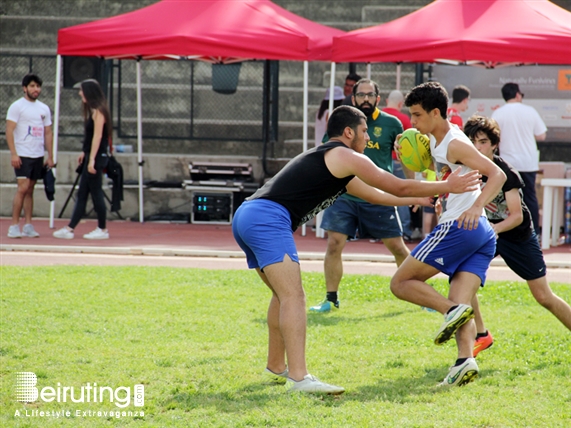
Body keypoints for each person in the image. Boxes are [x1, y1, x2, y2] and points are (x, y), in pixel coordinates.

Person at [232, 105, 481, 394]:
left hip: (249, 215)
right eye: (364, 132)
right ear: (348, 132)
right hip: (267, 218)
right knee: (293, 296)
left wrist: (426, 199)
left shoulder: (335, 163)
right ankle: (299, 379)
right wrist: (447, 184)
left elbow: (378, 195)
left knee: (281, 294)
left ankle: (276, 366)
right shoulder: (344, 155)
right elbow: (399, 185)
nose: (368, 139)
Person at [390, 82, 506, 388]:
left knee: (401, 282)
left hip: (461, 227)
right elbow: (438, 171)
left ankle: (452, 311)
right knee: (459, 298)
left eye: (416, 115)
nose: (412, 122)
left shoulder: (454, 142)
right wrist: (409, 160)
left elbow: (498, 174)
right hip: (481, 235)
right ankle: (464, 362)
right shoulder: (439, 141)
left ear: (436, 113)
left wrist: (476, 205)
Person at [463, 115, 571, 357]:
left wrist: (495, 229)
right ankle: (481, 335)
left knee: (544, 296)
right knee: (463, 279)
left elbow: (517, 217)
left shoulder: (506, 173)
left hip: (516, 236)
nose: (476, 147)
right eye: (472, 141)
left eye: (482, 142)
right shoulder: (466, 167)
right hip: (487, 234)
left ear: (494, 144)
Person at [310, 79, 412, 313]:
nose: (365, 99)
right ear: (353, 98)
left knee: (397, 247)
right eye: (360, 95)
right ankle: (331, 299)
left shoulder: (393, 123)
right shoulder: (342, 123)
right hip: (345, 194)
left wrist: (410, 185)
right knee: (334, 244)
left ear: (378, 98)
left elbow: (407, 157)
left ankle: (417, 291)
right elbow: (328, 154)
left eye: (370, 95)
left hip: (379, 196)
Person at [53, 79, 111, 240]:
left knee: (95, 192)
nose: (80, 94)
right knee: (83, 194)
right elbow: (92, 137)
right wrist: (85, 152)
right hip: (92, 156)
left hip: (96, 158)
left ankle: (102, 228)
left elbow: (98, 137)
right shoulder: (95, 111)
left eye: (82, 91)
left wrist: (91, 159)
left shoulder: (99, 111)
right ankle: (70, 228)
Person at [491, 82, 547, 237]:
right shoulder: (530, 111)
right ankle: (534, 233)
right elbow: (541, 135)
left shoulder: (498, 113)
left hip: (507, 163)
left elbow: (492, 138)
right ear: (517, 94)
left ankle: (510, 233)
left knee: (507, 199)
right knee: (530, 197)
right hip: (528, 162)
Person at [6, 74, 54, 238]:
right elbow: (9, 130)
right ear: (25, 88)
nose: (36, 90)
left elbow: (48, 133)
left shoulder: (44, 109)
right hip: (22, 154)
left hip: (37, 154)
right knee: (23, 188)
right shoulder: (17, 107)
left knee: (31, 189)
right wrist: (14, 153)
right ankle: (13, 226)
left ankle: (28, 224)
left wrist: (50, 155)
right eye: (32, 86)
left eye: (38, 86)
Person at [383, 89, 415, 240]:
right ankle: (405, 231)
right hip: (399, 162)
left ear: (385, 101)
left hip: (382, 163)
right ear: (401, 104)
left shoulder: (379, 116)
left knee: (381, 196)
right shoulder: (403, 118)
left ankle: (381, 231)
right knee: (402, 196)